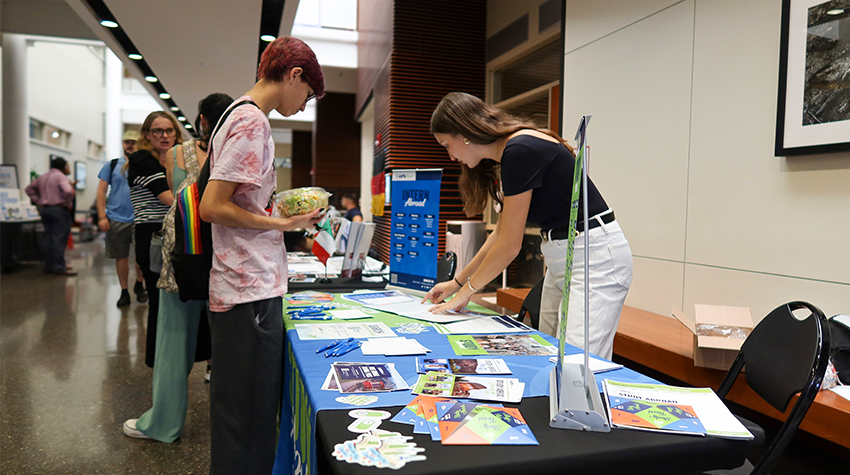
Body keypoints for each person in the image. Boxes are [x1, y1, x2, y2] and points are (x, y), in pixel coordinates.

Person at [424, 92, 633, 360]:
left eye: (446, 145)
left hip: (594, 257)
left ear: (463, 133)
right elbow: (500, 233)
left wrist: (467, 293)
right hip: (562, 257)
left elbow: (510, 245)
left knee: (578, 364)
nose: (451, 156)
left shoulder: (519, 150)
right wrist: (456, 282)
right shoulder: (508, 155)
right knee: (548, 351)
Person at [199, 36, 324, 474]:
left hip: (243, 287)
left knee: (244, 415)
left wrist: (278, 212)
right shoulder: (252, 121)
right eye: (307, 94)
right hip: (247, 290)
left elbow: (239, 201)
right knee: (248, 420)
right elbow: (212, 206)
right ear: (294, 75)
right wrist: (282, 224)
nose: (304, 105)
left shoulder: (237, 114)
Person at [123, 93, 233, 442]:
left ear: (200, 121)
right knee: (230, 348)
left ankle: (163, 424)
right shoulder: (237, 154)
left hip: (186, 257)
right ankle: (235, 430)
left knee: (173, 343)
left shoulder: (176, 155)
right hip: (228, 261)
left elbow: (177, 194)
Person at [127, 111, 182, 368]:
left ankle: (175, 357)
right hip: (154, 237)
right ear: (147, 135)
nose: (164, 136)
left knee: (179, 300)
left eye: (169, 130)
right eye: (158, 131)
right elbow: (169, 198)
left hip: (177, 234)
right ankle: (159, 361)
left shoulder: (176, 159)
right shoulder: (141, 159)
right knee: (160, 301)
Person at [96, 129, 148, 307]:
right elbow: (101, 191)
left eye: (133, 142)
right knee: (121, 256)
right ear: (123, 144)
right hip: (116, 217)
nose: (130, 145)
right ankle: (124, 290)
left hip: (141, 217)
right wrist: (102, 216)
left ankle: (139, 285)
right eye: (127, 142)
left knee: (142, 256)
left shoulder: (144, 164)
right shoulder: (111, 166)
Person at [25, 157, 77, 275]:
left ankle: (48, 266)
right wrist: (67, 202)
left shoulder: (42, 177)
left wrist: (38, 201)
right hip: (59, 210)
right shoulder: (61, 177)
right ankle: (59, 267)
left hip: (45, 210)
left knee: (48, 238)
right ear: (63, 167)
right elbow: (68, 191)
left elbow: (29, 189)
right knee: (59, 238)